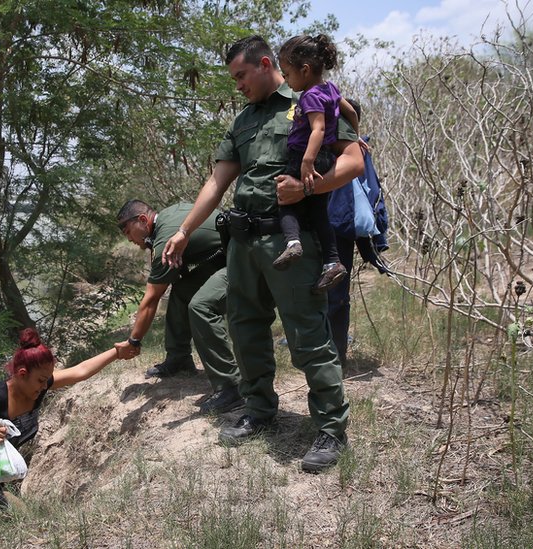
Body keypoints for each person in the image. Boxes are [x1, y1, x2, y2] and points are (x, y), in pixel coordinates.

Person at [162, 35, 365, 473]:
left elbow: (353, 162)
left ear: (266, 64)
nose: (237, 85)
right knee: (246, 328)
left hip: (290, 240)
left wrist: (308, 186)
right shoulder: (242, 121)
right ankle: (259, 409)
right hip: (244, 242)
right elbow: (217, 184)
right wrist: (183, 230)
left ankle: (331, 429)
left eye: (241, 76)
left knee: (307, 335)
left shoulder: (310, 99)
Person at [0, 328, 133, 514]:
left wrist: (116, 352)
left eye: (47, 380)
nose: (45, 386)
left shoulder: (38, 386)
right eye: (41, 380)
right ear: (22, 373)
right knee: (19, 518)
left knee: (10, 520)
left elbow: (80, 371)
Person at [114, 200, 243, 414]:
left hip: (245, 260)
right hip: (225, 257)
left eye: (128, 231)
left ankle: (231, 388)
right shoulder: (167, 217)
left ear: (143, 220)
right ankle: (179, 358)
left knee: (201, 306)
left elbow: (151, 299)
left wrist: (133, 341)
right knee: (182, 291)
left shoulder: (165, 238)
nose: (128, 239)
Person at [272, 34, 360, 294]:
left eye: (287, 73)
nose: (286, 80)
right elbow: (352, 113)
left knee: (285, 198)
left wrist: (307, 162)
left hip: (305, 156)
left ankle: (292, 243)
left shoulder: (309, 96)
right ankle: (332, 263)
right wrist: (356, 137)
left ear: (305, 70)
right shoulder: (331, 88)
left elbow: (318, 129)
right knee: (319, 212)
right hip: (327, 159)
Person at [325, 99, 391, 368]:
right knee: (332, 294)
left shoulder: (355, 151)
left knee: (335, 294)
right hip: (332, 228)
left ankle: (334, 358)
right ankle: (330, 356)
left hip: (338, 228)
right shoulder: (347, 147)